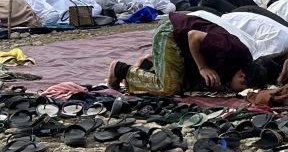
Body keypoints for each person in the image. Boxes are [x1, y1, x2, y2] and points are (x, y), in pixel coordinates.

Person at [106, 11, 267, 95]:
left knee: (189, 84)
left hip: (188, 48)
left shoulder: (242, 61)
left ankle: (149, 63)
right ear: (242, 76)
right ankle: (120, 69)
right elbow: (193, 36)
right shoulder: (229, 49)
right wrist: (203, 67)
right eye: (241, 87)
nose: (238, 89)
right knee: (169, 88)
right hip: (172, 33)